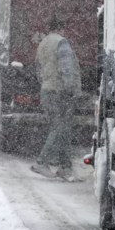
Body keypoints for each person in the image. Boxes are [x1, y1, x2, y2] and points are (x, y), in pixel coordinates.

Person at [30, 15, 81, 181]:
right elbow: (66, 69)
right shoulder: (62, 43)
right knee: (60, 128)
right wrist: (70, 89)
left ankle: (65, 168)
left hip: (47, 90)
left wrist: (46, 83)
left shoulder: (43, 44)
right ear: (61, 28)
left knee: (61, 129)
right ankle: (41, 162)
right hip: (60, 92)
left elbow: (38, 70)